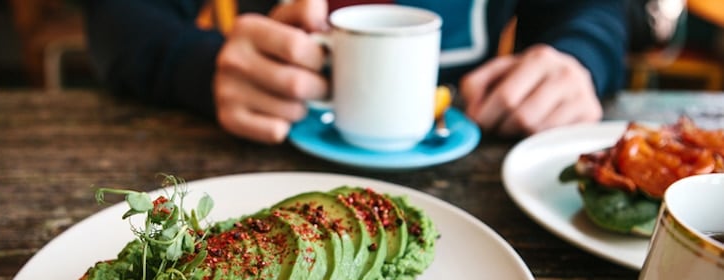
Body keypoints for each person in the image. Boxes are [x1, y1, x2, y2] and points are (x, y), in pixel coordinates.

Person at [82, 0, 626, 143]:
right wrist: (199, 64)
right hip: (269, 142)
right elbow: (117, 16)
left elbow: (593, 9)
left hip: (480, 155)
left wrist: (579, 57)